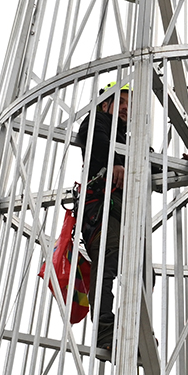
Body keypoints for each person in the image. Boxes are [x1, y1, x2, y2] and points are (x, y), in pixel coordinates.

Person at [71, 79, 134, 358]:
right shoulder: (97, 121)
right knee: (107, 260)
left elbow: (149, 162)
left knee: (142, 271)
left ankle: (134, 330)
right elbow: (96, 141)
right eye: (121, 102)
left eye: (129, 105)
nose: (126, 108)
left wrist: (181, 164)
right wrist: (116, 163)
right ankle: (106, 331)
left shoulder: (127, 139)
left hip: (123, 211)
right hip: (100, 207)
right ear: (105, 104)